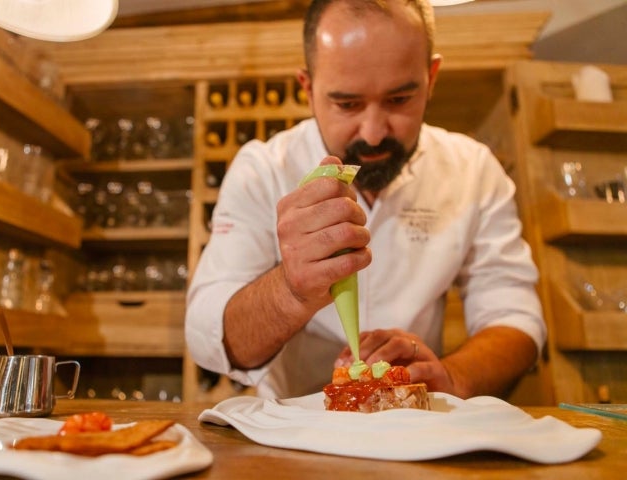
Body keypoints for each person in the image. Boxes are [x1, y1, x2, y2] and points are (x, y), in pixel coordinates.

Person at [185, 0, 546, 400]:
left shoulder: (473, 169)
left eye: (399, 100)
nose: (373, 133)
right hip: (293, 438)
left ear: (431, 77)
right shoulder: (263, 168)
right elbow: (209, 339)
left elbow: (516, 318)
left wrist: (453, 376)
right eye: (347, 104)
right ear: (308, 88)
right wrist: (290, 290)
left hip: (417, 428)